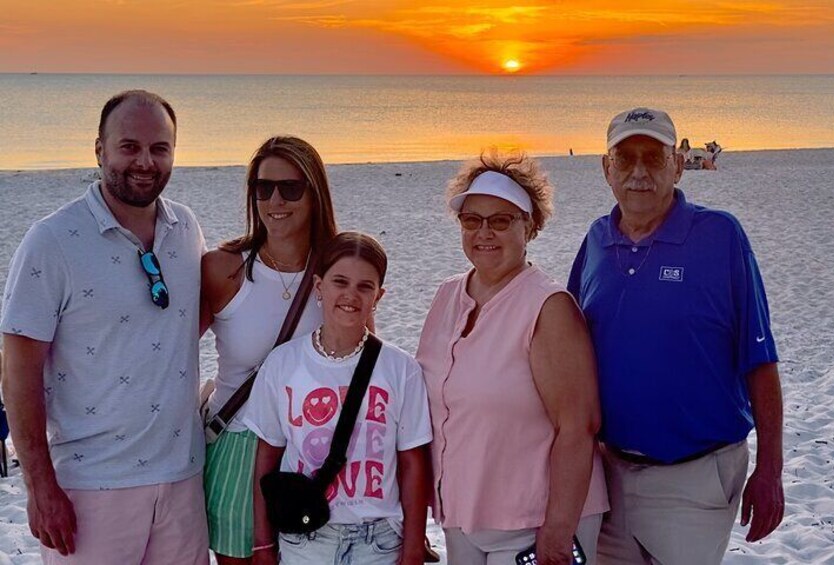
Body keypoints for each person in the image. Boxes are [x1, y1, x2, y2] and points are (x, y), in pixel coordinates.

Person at [0, 90, 209, 563]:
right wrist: (39, 487)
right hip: (89, 487)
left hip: (182, 481)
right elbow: (18, 373)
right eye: (129, 146)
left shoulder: (186, 228)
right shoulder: (50, 242)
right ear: (99, 150)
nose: (145, 161)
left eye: (160, 148)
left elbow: (181, 327)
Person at [567, 107, 784, 564]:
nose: (639, 172)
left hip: (694, 476)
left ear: (678, 164)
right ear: (606, 168)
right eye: (625, 159)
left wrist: (770, 470)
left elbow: (760, 358)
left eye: (654, 157)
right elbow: (569, 351)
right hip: (607, 474)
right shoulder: (596, 240)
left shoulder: (720, 236)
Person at [416, 150, 609, 565]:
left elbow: (579, 426)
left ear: (530, 226)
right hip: (463, 517)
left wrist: (557, 535)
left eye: (501, 220)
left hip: (533, 525)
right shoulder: (448, 294)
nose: (484, 232)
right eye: (472, 220)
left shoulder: (548, 306)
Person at [244, 232, 433, 565]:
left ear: (379, 296)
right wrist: (262, 544)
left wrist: (414, 546)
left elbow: (412, 462)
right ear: (319, 286)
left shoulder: (401, 368)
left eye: (365, 286)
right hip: (305, 540)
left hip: (379, 542)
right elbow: (266, 458)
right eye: (340, 282)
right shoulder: (283, 363)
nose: (350, 295)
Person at [199, 136, 338, 564]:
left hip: (315, 448)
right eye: (263, 188)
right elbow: (167, 354)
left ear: (314, 193)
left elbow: (365, 365)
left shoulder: (337, 270)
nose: (275, 199)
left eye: (290, 188)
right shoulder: (224, 269)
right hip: (239, 445)